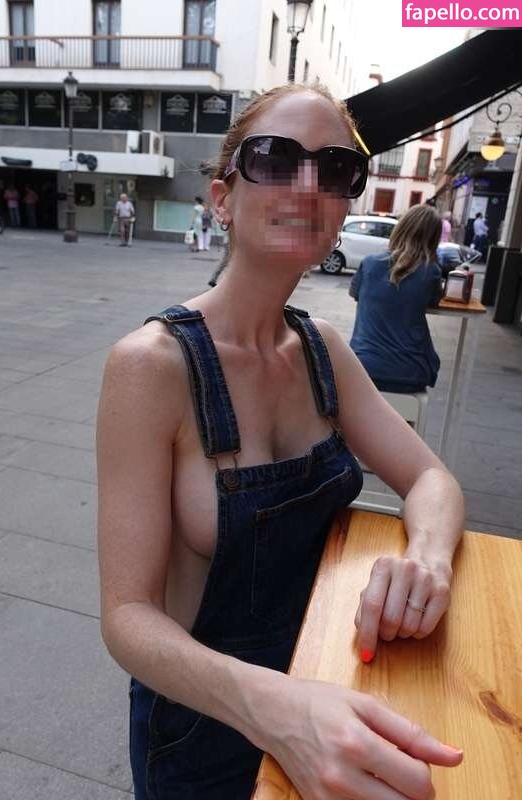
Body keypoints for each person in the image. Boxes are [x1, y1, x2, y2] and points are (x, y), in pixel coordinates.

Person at [97, 84, 465, 800]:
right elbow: (127, 618)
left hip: (329, 682)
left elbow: (433, 481)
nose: (308, 186)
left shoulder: (323, 350)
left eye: (335, 169)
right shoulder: (152, 366)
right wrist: (280, 712)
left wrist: (426, 560)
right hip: (204, 727)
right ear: (222, 197)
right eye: (275, 158)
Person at [349, 204, 443, 394]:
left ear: (400, 228)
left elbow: (355, 293)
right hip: (409, 372)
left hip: (361, 367)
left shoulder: (369, 263)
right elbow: (434, 301)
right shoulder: (431, 272)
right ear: (434, 239)